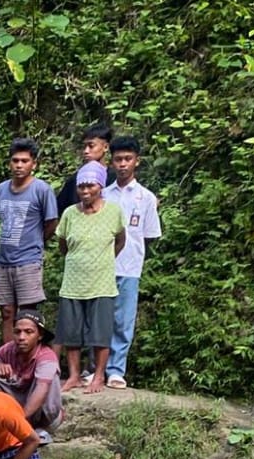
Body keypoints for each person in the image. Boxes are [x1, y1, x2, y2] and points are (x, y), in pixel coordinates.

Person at [55, 163, 126, 394]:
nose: (85, 191)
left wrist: (103, 261)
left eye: (90, 186)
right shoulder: (69, 214)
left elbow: (120, 240)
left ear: (100, 186)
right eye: (81, 187)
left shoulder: (113, 211)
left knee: (100, 333)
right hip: (73, 282)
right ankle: (74, 375)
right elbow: (63, 245)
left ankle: (98, 376)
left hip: (101, 283)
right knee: (71, 332)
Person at [101, 136, 162, 389]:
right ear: (111, 162)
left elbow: (149, 236)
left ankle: (116, 369)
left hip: (130, 267)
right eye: (118, 159)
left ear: (137, 161)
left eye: (128, 159)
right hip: (101, 266)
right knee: (99, 319)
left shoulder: (146, 198)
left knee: (123, 320)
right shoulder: (102, 195)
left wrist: (134, 258)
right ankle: (95, 368)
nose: (123, 164)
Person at [0, 138, 59, 343]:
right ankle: (7, 359)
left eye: (24, 161)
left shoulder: (42, 189)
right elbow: (0, 220)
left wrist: (37, 242)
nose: (19, 165)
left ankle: (28, 360)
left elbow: (51, 222)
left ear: (34, 164)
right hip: (3, 260)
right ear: (9, 163)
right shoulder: (1, 189)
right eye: (15, 160)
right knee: (6, 312)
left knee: (28, 314)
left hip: (28, 260)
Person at [0, 310, 64, 442]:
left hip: (39, 414)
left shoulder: (46, 356)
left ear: (40, 335)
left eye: (28, 332)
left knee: (50, 379)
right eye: (17, 332)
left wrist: (18, 421)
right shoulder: (9, 348)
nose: (21, 337)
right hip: (16, 403)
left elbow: (42, 389)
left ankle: (39, 429)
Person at [56, 122, 116, 216]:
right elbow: (59, 210)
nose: (86, 151)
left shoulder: (115, 179)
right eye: (84, 147)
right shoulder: (74, 180)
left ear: (105, 147)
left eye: (91, 146)